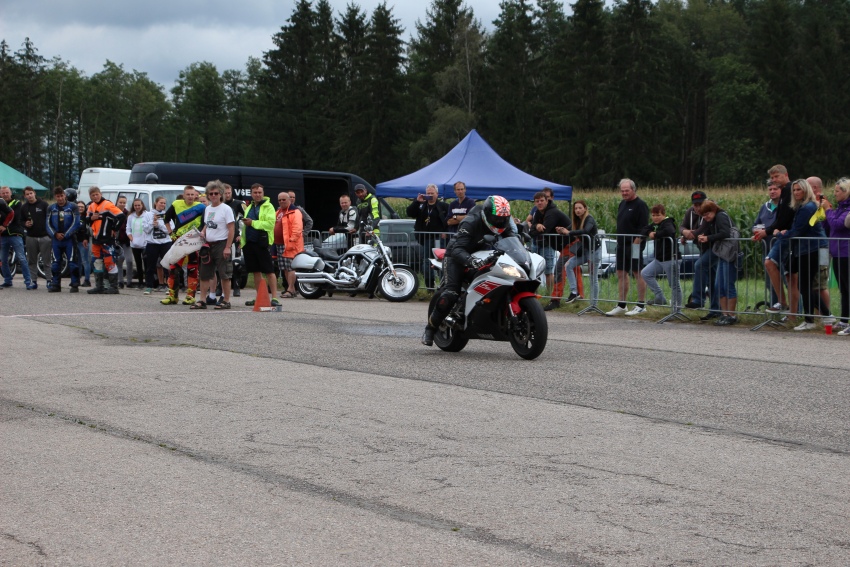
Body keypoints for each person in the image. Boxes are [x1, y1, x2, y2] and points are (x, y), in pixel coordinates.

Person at [422, 195, 514, 346]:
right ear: (487, 214)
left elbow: (512, 238)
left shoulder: (503, 223)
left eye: (503, 219)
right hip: (456, 256)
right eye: (496, 219)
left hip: (482, 255)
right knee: (451, 292)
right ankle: (430, 329)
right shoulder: (470, 222)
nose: (500, 222)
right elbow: (458, 249)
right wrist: (471, 261)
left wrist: (521, 248)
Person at [771, 179, 831, 331]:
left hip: (812, 248)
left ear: (806, 190)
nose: (796, 192)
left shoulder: (807, 207)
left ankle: (815, 319)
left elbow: (798, 230)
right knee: (806, 285)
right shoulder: (804, 206)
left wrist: (779, 234)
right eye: (794, 190)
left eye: (799, 189)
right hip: (809, 248)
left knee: (809, 285)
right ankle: (823, 316)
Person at [754, 165, 795, 312]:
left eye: (777, 176)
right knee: (784, 274)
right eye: (772, 178)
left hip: (787, 237)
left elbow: (785, 218)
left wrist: (768, 231)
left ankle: (788, 306)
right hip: (779, 236)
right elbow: (780, 218)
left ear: (786, 175)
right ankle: (786, 308)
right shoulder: (784, 192)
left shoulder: (790, 190)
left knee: (786, 274)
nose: (774, 180)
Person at [547, 200, 601, 310]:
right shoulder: (576, 220)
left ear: (585, 209)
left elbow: (585, 230)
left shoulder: (589, 219)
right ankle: (574, 291)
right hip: (585, 251)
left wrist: (569, 232)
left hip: (594, 251)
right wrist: (561, 230)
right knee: (568, 265)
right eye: (576, 208)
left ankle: (594, 305)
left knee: (593, 278)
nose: (578, 210)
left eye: (580, 208)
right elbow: (569, 229)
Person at [606, 179, 649, 316]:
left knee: (637, 272)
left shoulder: (641, 205)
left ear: (633, 190)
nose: (624, 193)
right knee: (620, 273)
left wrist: (637, 241)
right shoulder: (622, 204)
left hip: (634, 244)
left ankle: (641, 305)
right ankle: (622, 304)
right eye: (622, 191)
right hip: (621, 244)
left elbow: (644, 226)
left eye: (627, 190)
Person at [191, 181, 235, 310]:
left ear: (221, 194)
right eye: (211, 194)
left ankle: (226, 300)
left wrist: (227, 247)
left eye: (216, 193)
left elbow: (231, 229)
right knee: (204, 274)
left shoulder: (226, 209)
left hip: (222, 243)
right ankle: (202, 300)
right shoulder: (208, 209)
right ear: (208, 195)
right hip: (208, 244)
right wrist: (203, 232)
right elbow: (207, 223)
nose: (214, 196)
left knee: (224, 274)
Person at [161, 185, 205, 305]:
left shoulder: (201, 207)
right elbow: (166, 219)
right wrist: (170, 233)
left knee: (192, 267)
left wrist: (202, 233)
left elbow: (205, 222)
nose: (190, 197)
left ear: (195, 196)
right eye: (188, 194)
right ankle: (172, 296)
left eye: (192, 195)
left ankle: (190, 296)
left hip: (193, 240)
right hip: (179, 240)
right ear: (184, 195)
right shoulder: (176, 204)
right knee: (174, 267)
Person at [697, 201, 739, 325]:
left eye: (707, 214)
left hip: (729, 254)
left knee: (728, 285)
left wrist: (708, 238)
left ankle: (731, 315)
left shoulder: (721, 216)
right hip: (722, 254)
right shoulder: (713, 220)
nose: (706, 217)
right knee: (719, 285)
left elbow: (725, 233)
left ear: (714, 210)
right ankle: (724, 314)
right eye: (703, 215)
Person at [682, 190, 720, 319]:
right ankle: (715, 310)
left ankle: (698, 299)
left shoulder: (710, 211)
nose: (697, 208)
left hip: (715, 247)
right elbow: (682, 226)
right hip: (703, 249)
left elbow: (702, 229)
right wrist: (685, 232)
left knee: (699, 265)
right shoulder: (690, 212)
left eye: (700, 204)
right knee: (712, 280)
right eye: (695, 205)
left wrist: (690, 234)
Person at [241, 183, 280, 307]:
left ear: (263, 193)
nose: (257, 195)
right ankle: (259, 297)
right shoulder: (249, 206)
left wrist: (252, 223)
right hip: (249, 243)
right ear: (251, 194)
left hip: (262, 242)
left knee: (269, 271)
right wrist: (242, 240)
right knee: (255, 271)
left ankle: (275, 298)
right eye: (255, 192)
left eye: (259, 192)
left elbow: (270, 224)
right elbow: (245, 226)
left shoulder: (269, 206)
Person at [84, 186, 126, 294]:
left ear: (100, 194)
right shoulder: (91, 206)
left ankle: (114, 287)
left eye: (97, 194)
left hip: (107, 239)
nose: (95, 196)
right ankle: (99, 286)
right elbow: (86, 220)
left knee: (109, 262)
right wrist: (91, 218)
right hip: (96, 239)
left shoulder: (107, 204)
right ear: (90, 196)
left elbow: (121, 216)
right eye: (93, 195)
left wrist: (114, 229)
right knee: (96, 262)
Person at [406, 184, 449, 288]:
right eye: (428, 193)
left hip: (439, 239)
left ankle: (443, 286)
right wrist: (417, 201)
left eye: (432, 193)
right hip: (425, 239)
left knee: (440, 261)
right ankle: (429, 286)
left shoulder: (443, 206)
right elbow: (409, 213)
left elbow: (449, 220)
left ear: (437, 194)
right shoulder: (422, 206)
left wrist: (446, 232)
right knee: (426, 262)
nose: (430, 195)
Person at [640, 204, 682, 310]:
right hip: (659, 259)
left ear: (664, 214)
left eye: (658, 215)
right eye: (653, 215)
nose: (655, 218)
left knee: (674, 284)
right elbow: (644, 229)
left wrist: (655, 235)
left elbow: (669, 231)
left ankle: (676, 309)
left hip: (671, 258)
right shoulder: (654, 224)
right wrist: (649, 232)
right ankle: (660, 297)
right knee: (645, 273)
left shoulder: (668, 223)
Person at [823, 177, 850, 335]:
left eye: (837, 191)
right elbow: (828, 226)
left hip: (847, 253)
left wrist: (828, 210)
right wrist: (824, 213)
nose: (835, 193)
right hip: (837, 253)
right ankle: (844, 321)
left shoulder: (848, 210)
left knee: (848, 288)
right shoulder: (840, 208)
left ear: (846, 192)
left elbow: (838, 225)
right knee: (844, 289)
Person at [528, 190, 569, 291]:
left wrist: (536, 228)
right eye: (537, 201)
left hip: (562, 243)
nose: (539, 203)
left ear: (547, 201)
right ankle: (535, 292)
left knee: (549, 270)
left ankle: (550, 293)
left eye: (542, 200)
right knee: (534, 269)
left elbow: (545, 230)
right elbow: (532, 230)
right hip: (540, 243)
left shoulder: (552, 212)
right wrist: (537, 226)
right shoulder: (538, 212)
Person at [752, 181, 783, 308]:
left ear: (781, 190)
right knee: (771, 282)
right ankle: (776, 306)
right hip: (767, 249)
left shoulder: (786, 206)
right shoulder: (764, 207)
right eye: (770, 189)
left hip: (782, 248)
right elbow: (755, 224)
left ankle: (795, 310)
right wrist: (756, 231)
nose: (772, 191)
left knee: (789, 282)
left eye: (775, 189)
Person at [45, 186, 81, 292]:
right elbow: (47, 224)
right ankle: (56, 284)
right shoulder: (51, 208)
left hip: (69, 239)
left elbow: (76, 223)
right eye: (58, 196)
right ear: (55, 197)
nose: (60, 198)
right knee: (56, 263)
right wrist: (55, 234)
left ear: (65, 195)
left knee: (72, 263)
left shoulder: (73, 207)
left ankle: (74, 284)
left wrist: (66, 234)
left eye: (61, 196)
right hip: (56, 240)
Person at [807, 176, 833, 321]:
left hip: (823, 249)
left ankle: (825, 315)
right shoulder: (811, 204)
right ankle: (818, 315)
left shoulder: (823, 204)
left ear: (815, 188)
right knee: (813, 284)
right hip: (813, 248)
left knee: (821, 284)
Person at [0, 186, 37, 289]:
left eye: (7, 192)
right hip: (3, 235)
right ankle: (7, 280)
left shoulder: (17, 203)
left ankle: (28, 281)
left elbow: (15, 216)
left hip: (15, 234)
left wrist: (4, 224)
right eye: (3, 193)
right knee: (3, 259)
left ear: (10, 193)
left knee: (22, 258)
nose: (5, 194)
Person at [20, 186, 52, 287]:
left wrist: (50, 234)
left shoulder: (44, 204)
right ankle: (33, 281)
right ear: (25, 196)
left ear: (34, 193)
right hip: (31, 236)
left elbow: (50, 218)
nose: (29, 196)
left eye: (31, 193)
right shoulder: (24, 207)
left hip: (44, 236)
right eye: (27, 194)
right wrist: (25, 224)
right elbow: (20, 220)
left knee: (46, 260)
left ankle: (49, 280)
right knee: (31, 260)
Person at [275, 192, 304, 298]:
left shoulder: (295, 211)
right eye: (280, 200)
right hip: (279, 244)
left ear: (289, 200)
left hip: (290, 244)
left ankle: (291, 289)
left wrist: (292, 240)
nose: (281, 202)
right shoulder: (278, 212)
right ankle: (291, 289)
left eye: (284, 199)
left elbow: (297, 227)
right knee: (285, 268)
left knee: (291, 267)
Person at [142, 196, 172, 295]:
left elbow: (170, 230)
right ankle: (149, 286)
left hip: (165, 243)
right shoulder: (148, 214)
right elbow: (145, 229)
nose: (162, 205)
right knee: (150, 266)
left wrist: (159, 225)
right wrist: (152, 223)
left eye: (164, 203)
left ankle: (169, 286)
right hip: (152, 243)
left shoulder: (167, 215)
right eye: (161, 203)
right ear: (156, 203)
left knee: (167, 265)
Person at [223, 183, 245, 297]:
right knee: (221, 263)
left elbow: (247, 219)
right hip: (222, 237)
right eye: (225, 193)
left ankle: (236, 286)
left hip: (235, 237)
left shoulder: (239, 204)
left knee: (236, 263)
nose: (227, 195)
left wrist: (242, 234)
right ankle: (220, 288)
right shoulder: (219, 204)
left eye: (229, 193)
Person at [125, 198, 147, 289]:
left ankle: (148, 282)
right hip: (134, 243)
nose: (137, 207)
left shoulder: (147, 215)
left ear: (142, 205)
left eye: (139, 205)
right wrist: (131, 238)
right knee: (138, 264)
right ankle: (140, 282)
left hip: (145, 243)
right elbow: (128, 229)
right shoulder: (131, 216)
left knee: (146, 263)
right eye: (135, 205)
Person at [113, 195, 134, 289]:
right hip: (117, 240)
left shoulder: (128, 214)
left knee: (129, 261)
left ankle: (129, 281)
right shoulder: (113, 212)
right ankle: (120, 281)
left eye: (124, 203)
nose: (122, 204)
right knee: (119, 260)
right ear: (117, 202)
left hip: (126, 240)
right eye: (120, 202)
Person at [75, 199, 92, 287]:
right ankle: (77, 279)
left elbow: (88, 229)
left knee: (85, 261)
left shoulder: (86, 218)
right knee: (77, 261)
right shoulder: (74, 216)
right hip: (75, 241)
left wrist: (86, 238)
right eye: (78, 207)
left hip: (83, 242)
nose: (80, 208)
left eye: (82, 207)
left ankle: (87, 280)